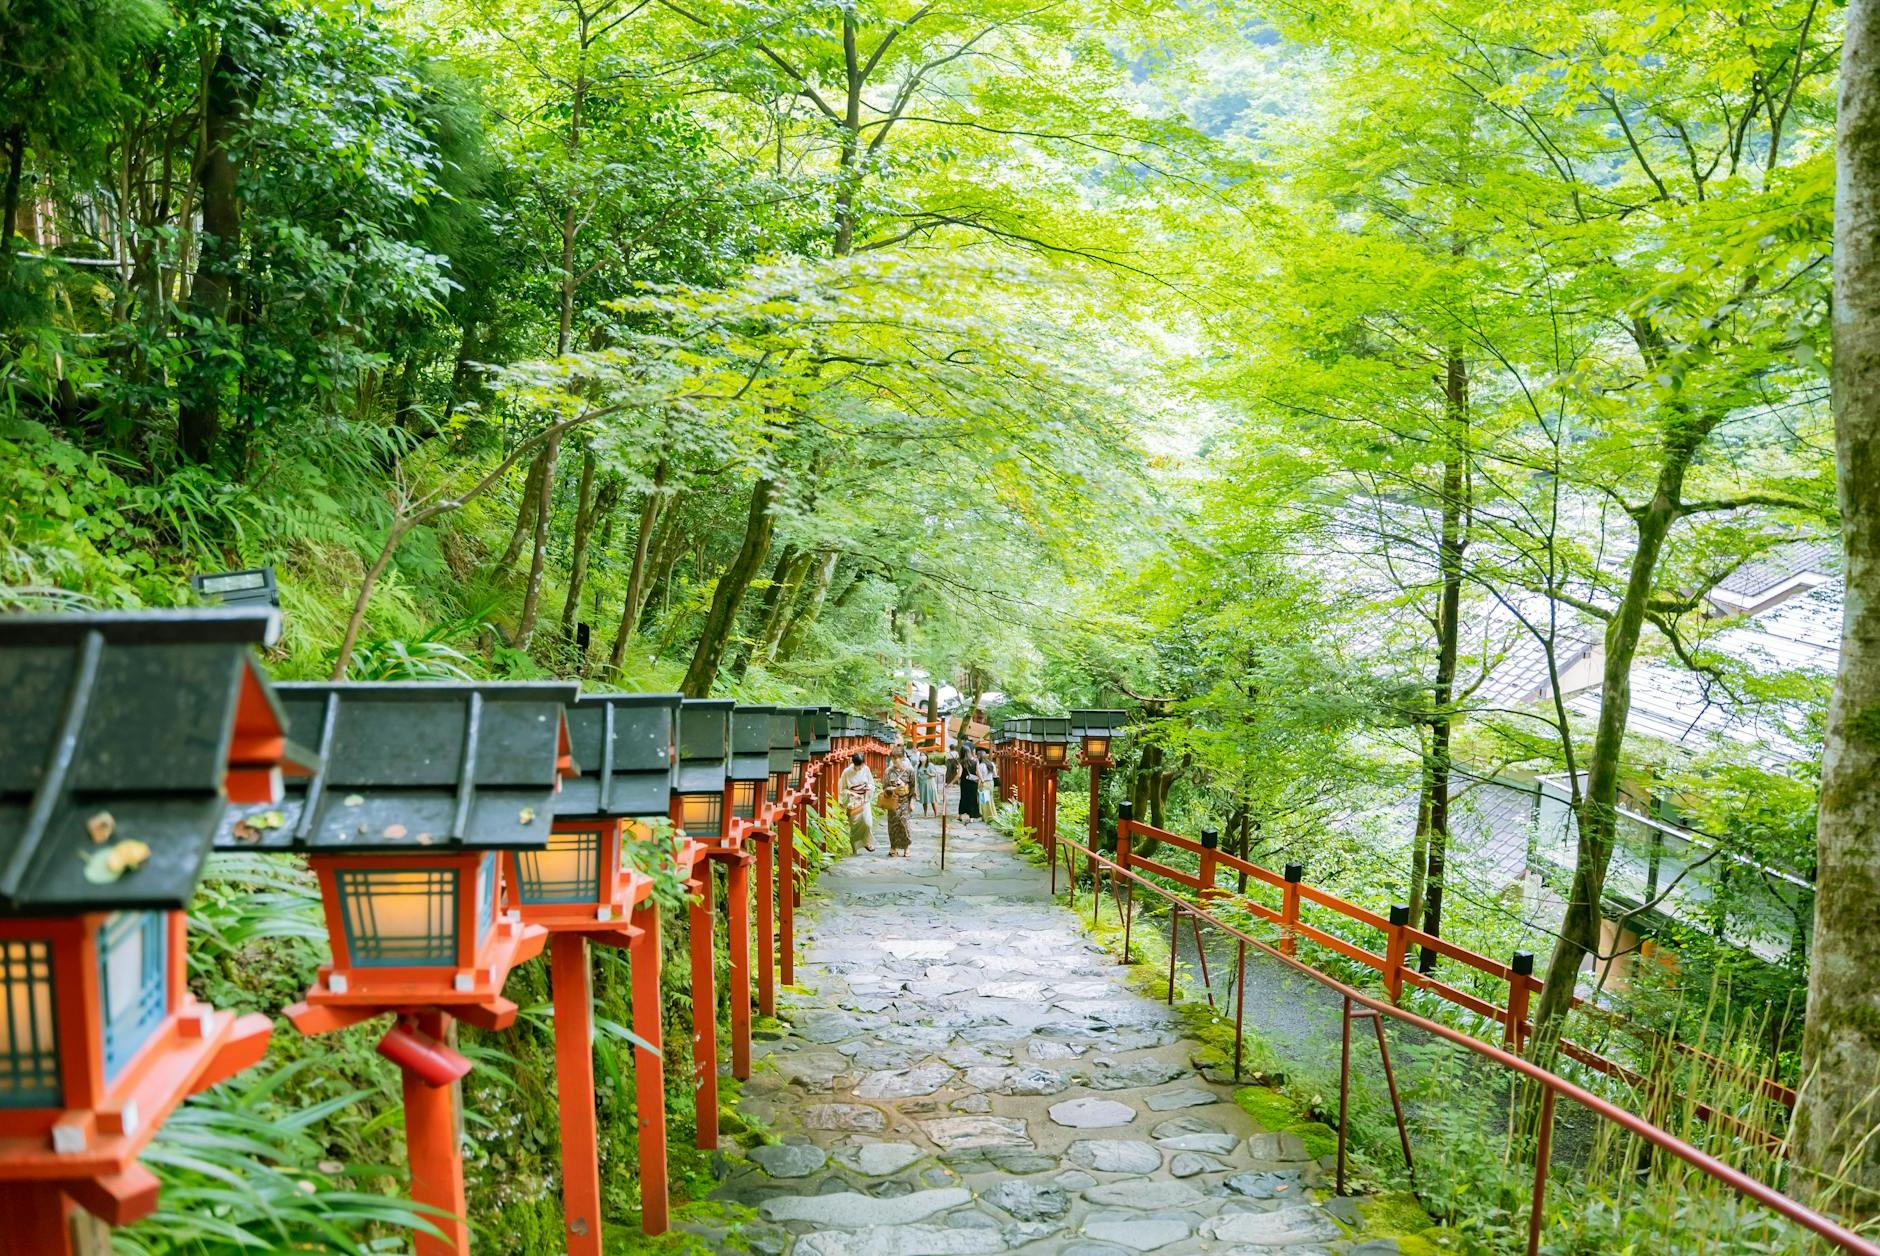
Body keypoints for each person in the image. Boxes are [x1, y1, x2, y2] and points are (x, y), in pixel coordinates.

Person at [882, 749, 918, 857]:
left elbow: (913, 788)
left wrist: (912, 802)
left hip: (905, 801)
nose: (894, 761)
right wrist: (893, 789)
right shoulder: (888, 771)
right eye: (892, 758)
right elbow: (884, 787)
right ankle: (893, 847)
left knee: (904, 824)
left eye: (896, 758)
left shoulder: (910, 771)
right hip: (893, 801)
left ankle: (906, 847)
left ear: (902, 758)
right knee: (893, 825)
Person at [838, 751, 875, 854]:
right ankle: (854, 846)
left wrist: (868, 789)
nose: (859, 768)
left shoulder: (866, 769)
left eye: (861, 765)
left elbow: (871, 783)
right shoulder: (846, 772)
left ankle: (867, 842)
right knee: (854, 826)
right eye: (857, 766)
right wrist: (850, 794)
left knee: (868, 823)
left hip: (864, 799)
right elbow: (843, 789)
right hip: (853, 802)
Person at [957, 745, 981, 822]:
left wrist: (951, 782)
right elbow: (978, 772)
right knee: (973, 799)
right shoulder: (975, 761)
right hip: (973, 783)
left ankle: (961, 815)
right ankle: (972, 818)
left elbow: (959, 775)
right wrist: (982, 780)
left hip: (964, 783)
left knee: (963, 798)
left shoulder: (961, 762)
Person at [913, 745, 937, 816]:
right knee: (924, 800)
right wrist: (916, 784)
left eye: (923, 755)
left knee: (932, 799)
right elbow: (916, 775)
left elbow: (934, 774)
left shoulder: (930, 765)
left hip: (930, 783)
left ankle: (935, 813)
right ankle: (925, 814)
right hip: (922, 784)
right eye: (921, 755)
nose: (922, 757)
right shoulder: (918, 766)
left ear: (926, 757)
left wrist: (929, 773)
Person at [979, 748, 999, 818]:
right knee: (990, 799)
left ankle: (986, 816)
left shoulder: (981, 765)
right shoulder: (992, 764)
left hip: (984, 783)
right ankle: (993, 814)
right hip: (991, 782)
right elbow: (995, 775)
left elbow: (979, 776)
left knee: (984, 801)